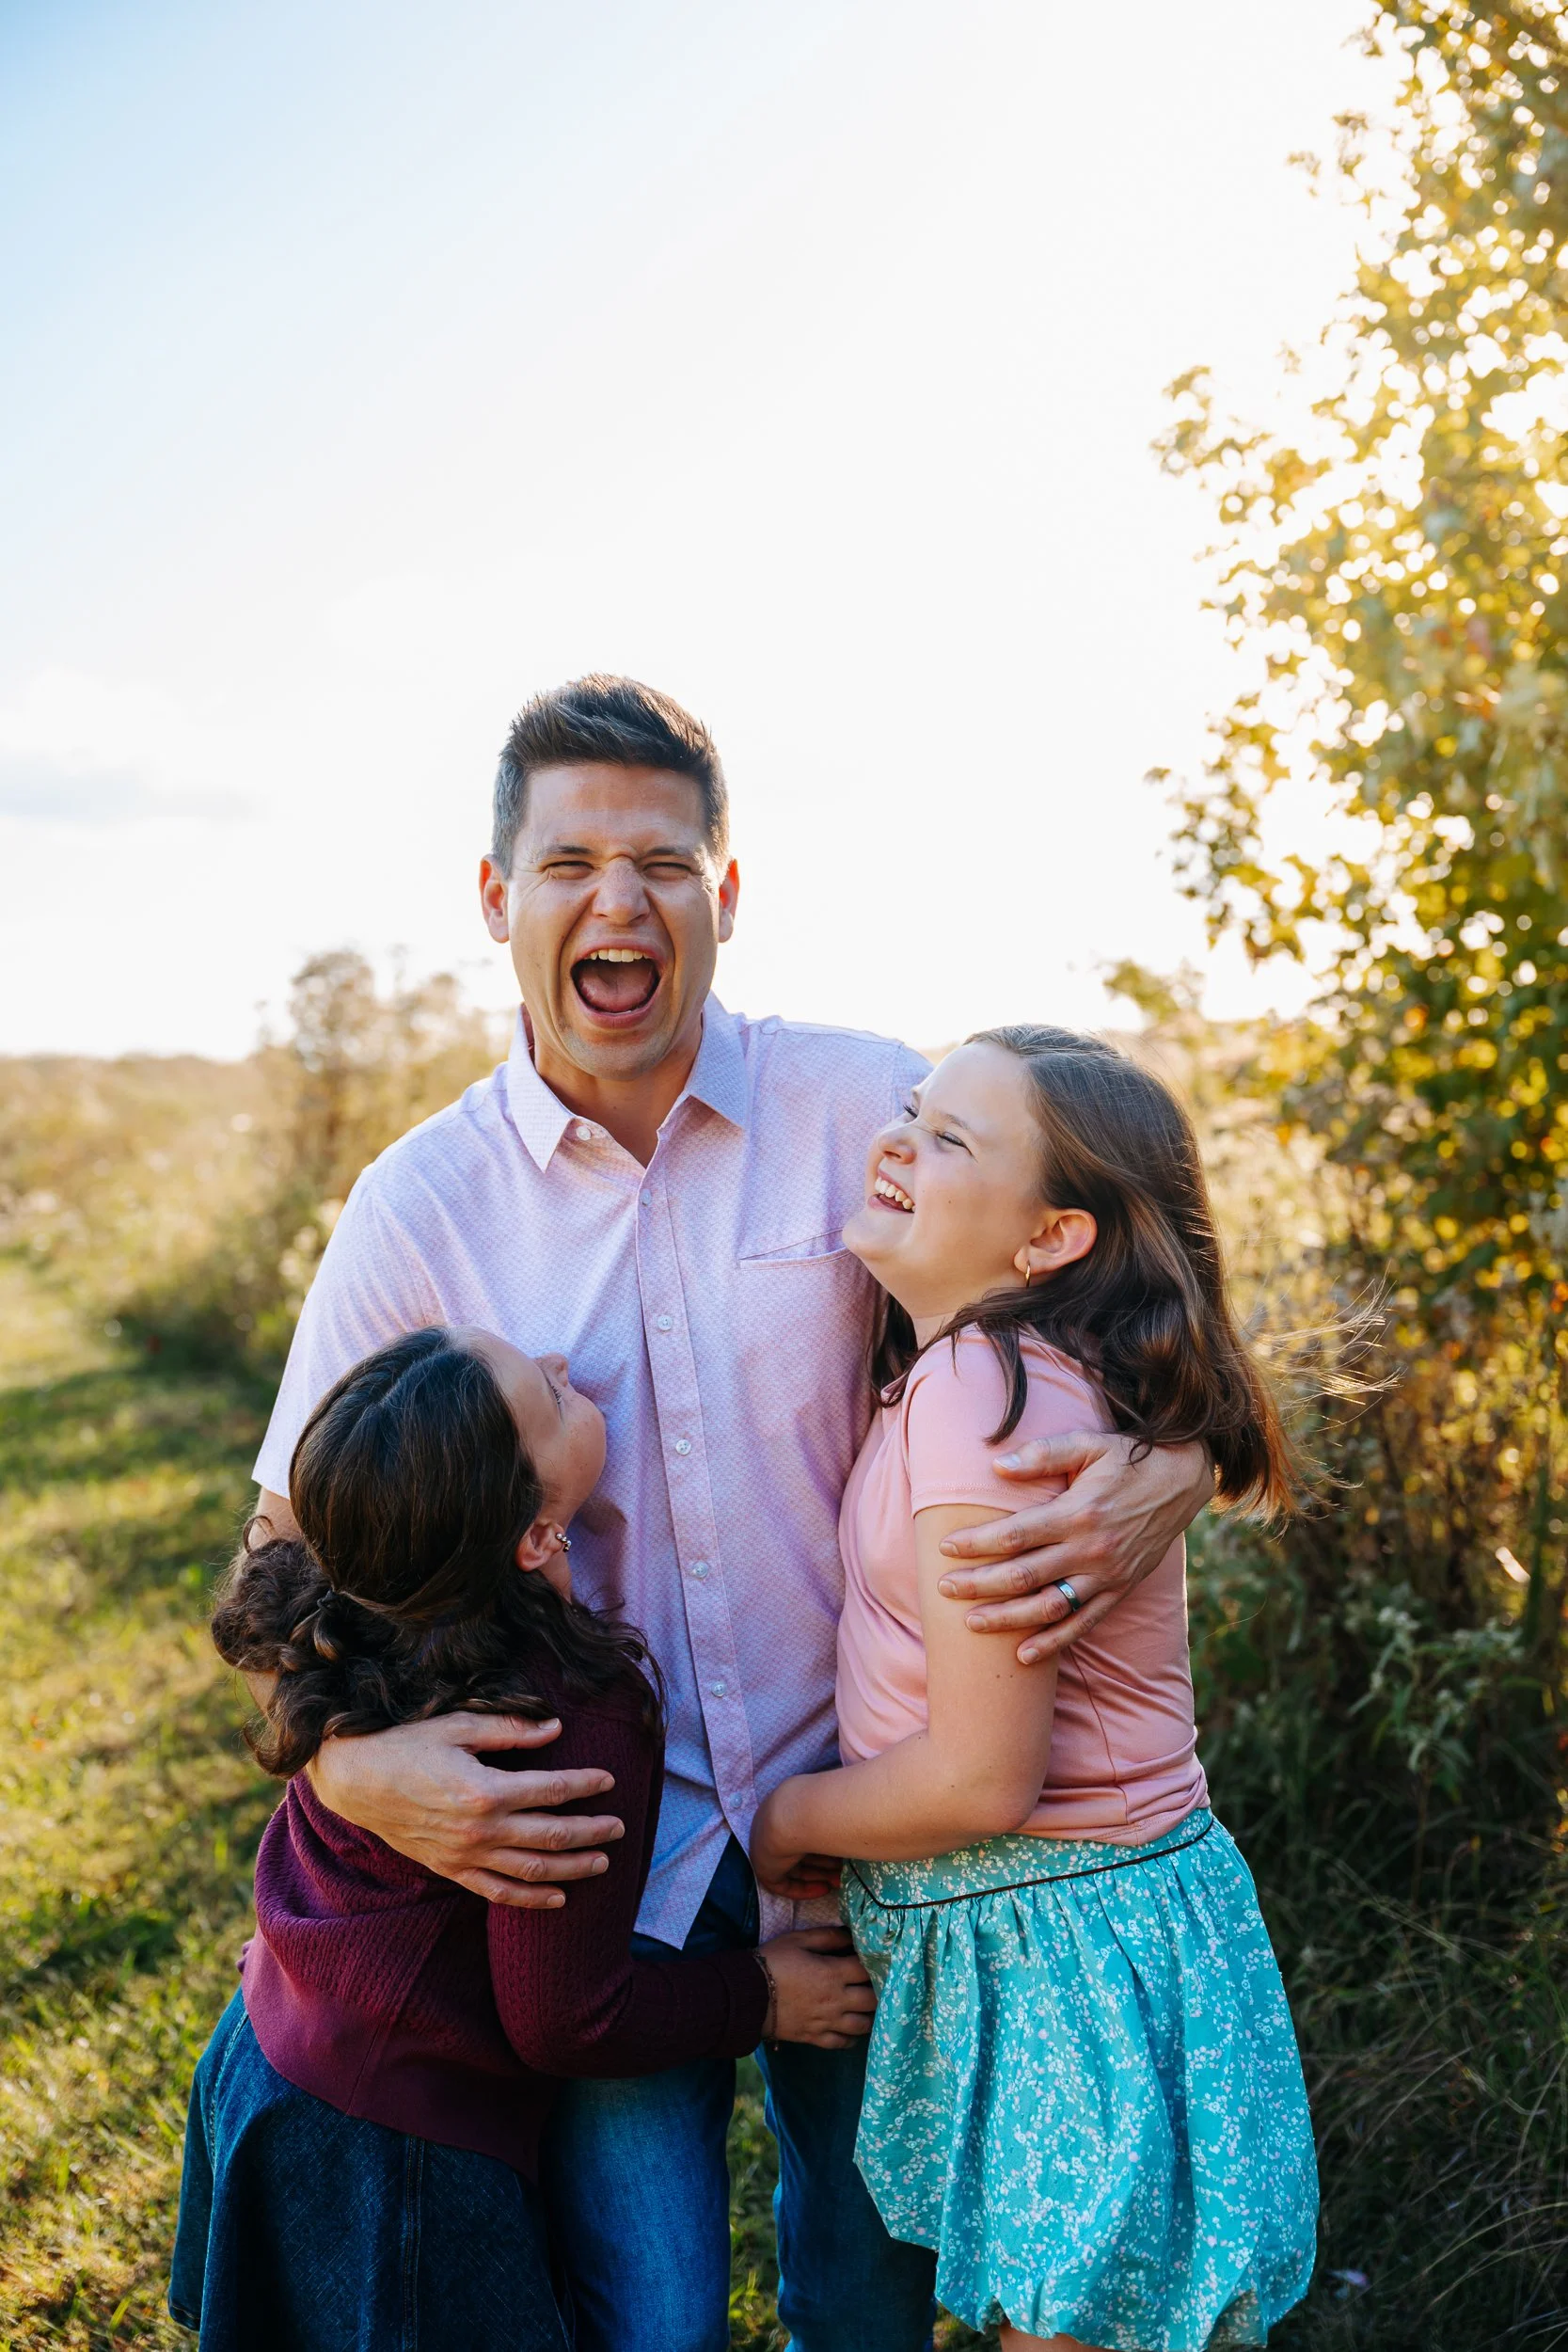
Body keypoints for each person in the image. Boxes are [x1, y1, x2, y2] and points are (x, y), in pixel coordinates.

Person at [240, 675, 1217, 2351]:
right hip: (611, 1868)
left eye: (662, 862)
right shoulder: (421, 1203)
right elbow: (286, 1553)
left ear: (724, 894)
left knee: (867, 2287)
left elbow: (1115, 1259)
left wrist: (1180, 1459)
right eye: (568, 865)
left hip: (882, 1828)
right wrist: (340, 1759)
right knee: (652, 2311)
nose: (617, 900)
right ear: (499, 900)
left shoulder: (862, 1110)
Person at [750, 1026, 1319, 2352]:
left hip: (1065, 1948)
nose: (894, 1140)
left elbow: (977, 1775)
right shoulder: (987, 1372)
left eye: (949, 1138)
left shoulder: (978, 1389)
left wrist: (784, 1825)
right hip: (1072, 1930)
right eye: (909, 1110)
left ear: (1050, 1239)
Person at [173, 1324, 872, 2351]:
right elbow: (567, 2018)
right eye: (545, 1400)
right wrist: (764, 1993)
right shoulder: (569, 1718)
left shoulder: (350, 1604)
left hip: (267, 2057)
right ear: (537, 1539)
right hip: (395, 2141)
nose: (561, 1365)